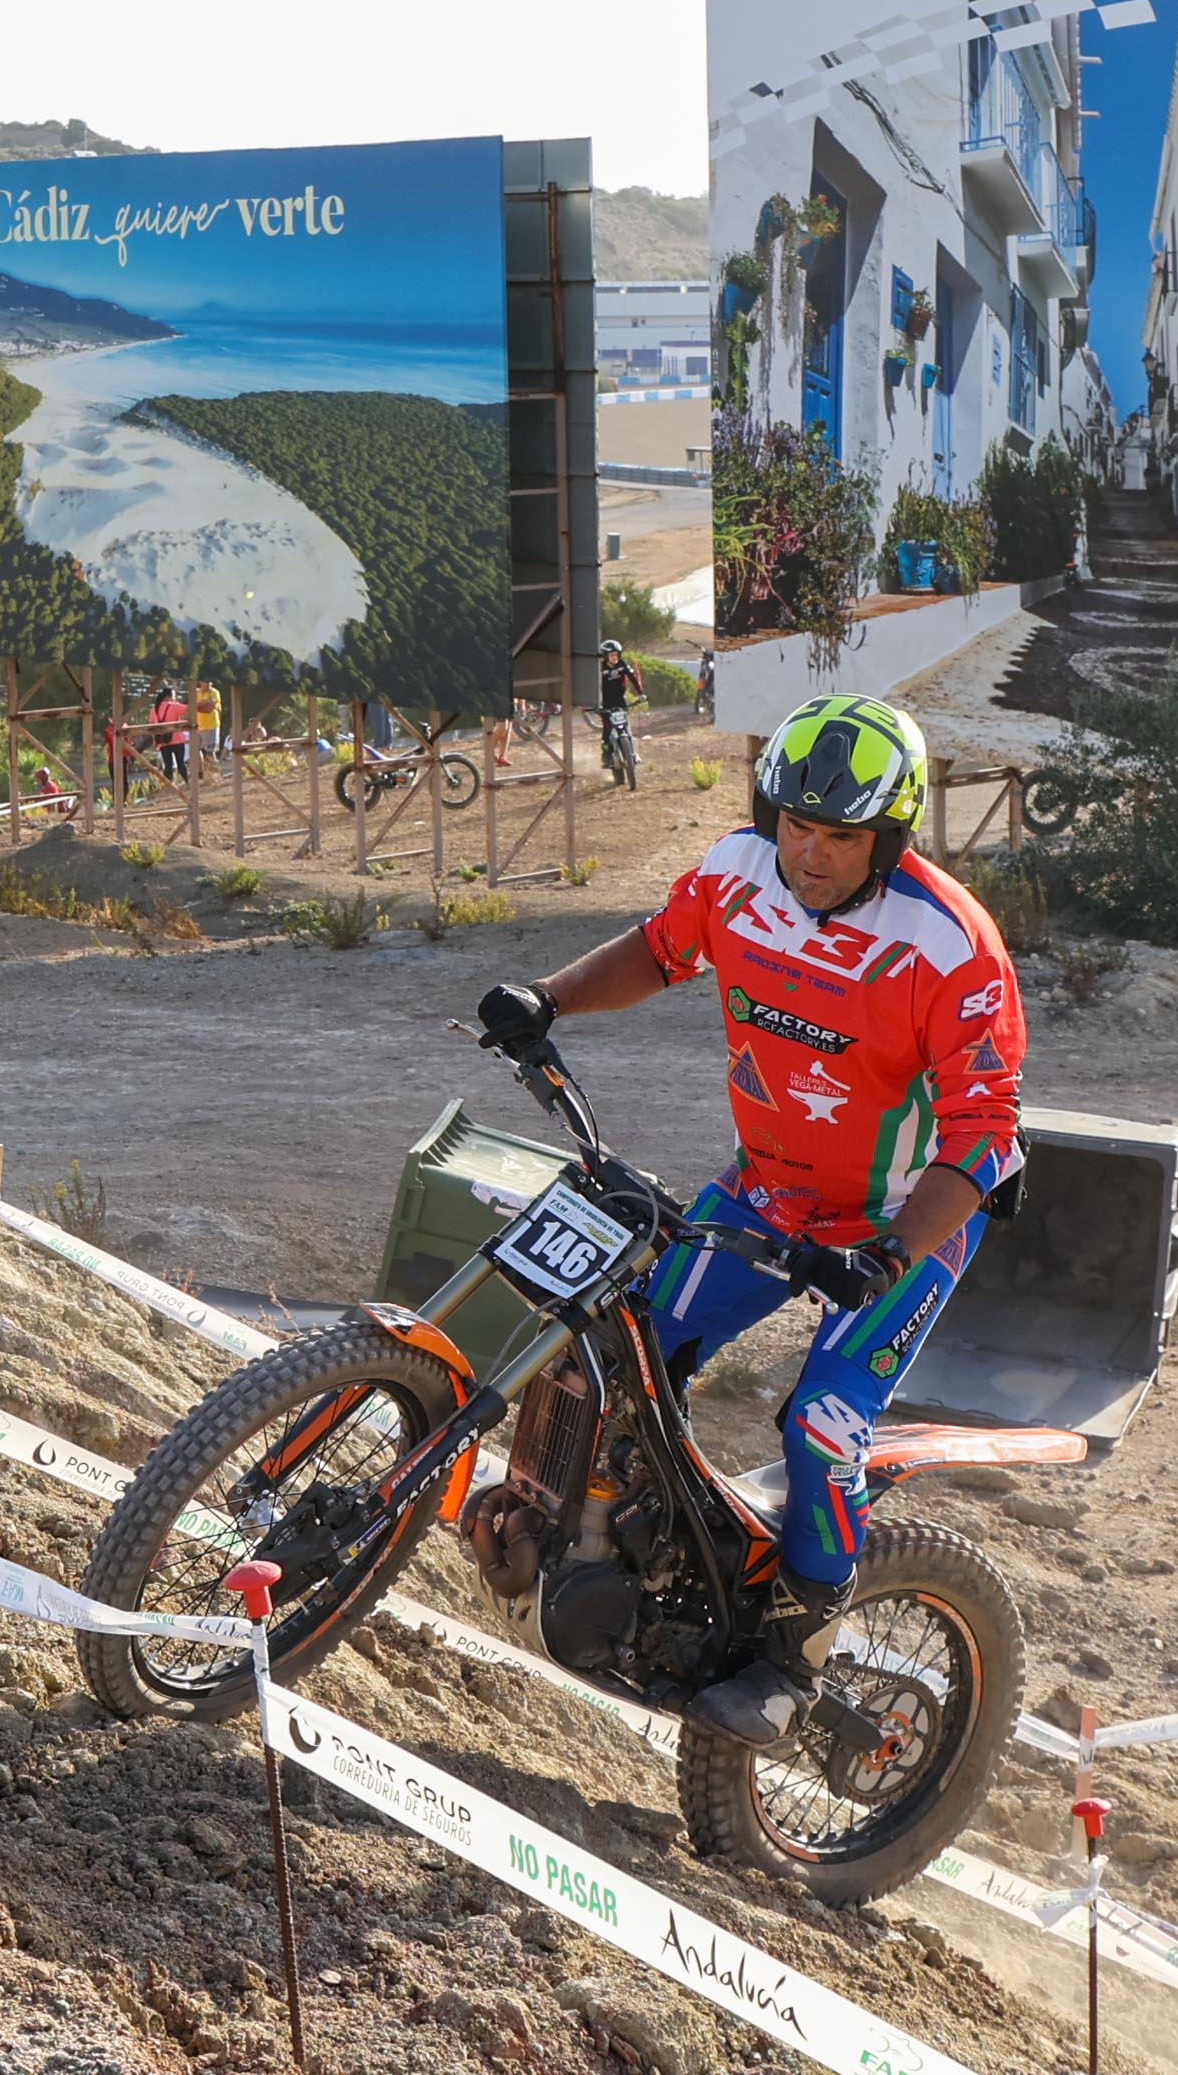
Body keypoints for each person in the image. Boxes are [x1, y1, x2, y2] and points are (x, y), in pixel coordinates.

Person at [477, 690, 1022, 1749]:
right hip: (769, 1187)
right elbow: (660, 946)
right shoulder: (737, 870)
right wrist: (547, 996)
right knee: (621, 1352)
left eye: (839, 835)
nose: (808, 853)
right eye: (795, 823)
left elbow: (987, 1136)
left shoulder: (951, 945)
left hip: (900, 1223)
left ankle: (793, 1653)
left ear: (891, 835)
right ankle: (642, 1559)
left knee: (821, 1423)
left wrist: (890, 1250)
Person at [597, 640, 639, 789]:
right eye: (612, 655)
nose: (615, 658)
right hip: (605, 704)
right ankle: (607, 756)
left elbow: (633, 678)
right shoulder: (599, 669)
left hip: (620, 701)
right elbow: (593, 686)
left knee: (626, 726)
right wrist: (593, 703)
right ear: (605, 656)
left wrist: (641, 694)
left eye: (616, 655)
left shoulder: (622, 664)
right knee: (607, 730)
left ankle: (632, 752)